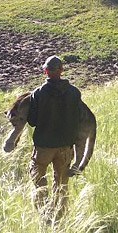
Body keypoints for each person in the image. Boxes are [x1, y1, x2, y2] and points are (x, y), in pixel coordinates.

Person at [27, 55, 81, 217]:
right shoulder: (74, 93)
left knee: (38, 179)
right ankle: (60, 215)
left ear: (46, 71)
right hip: (65, 146)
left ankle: (43, 213)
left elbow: (32, 121)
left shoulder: (38, 93)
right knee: (62, 183)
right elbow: (78, 119)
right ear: (62, 70)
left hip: (44, 146)